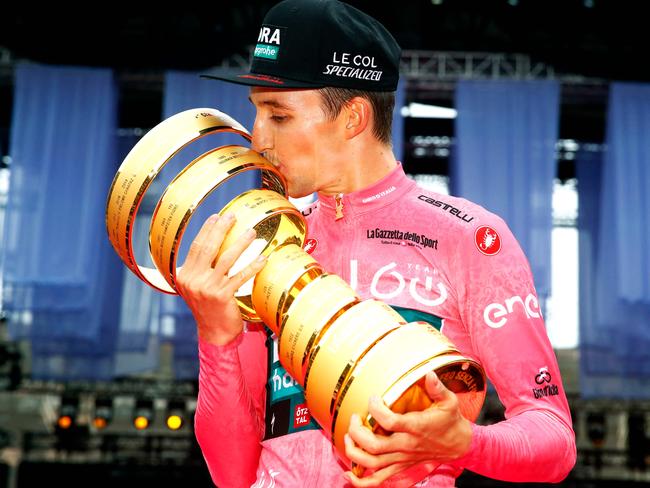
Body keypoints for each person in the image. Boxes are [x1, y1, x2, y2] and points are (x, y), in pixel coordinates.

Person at [178, 0, 577, 486]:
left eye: (278, 116)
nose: (257, 138)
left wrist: (464, 442)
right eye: (256, 113)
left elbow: (554, 439)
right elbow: (229, 472)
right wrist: (216, 337)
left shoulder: (468, 238)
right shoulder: (266, 241)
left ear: (353, 118)